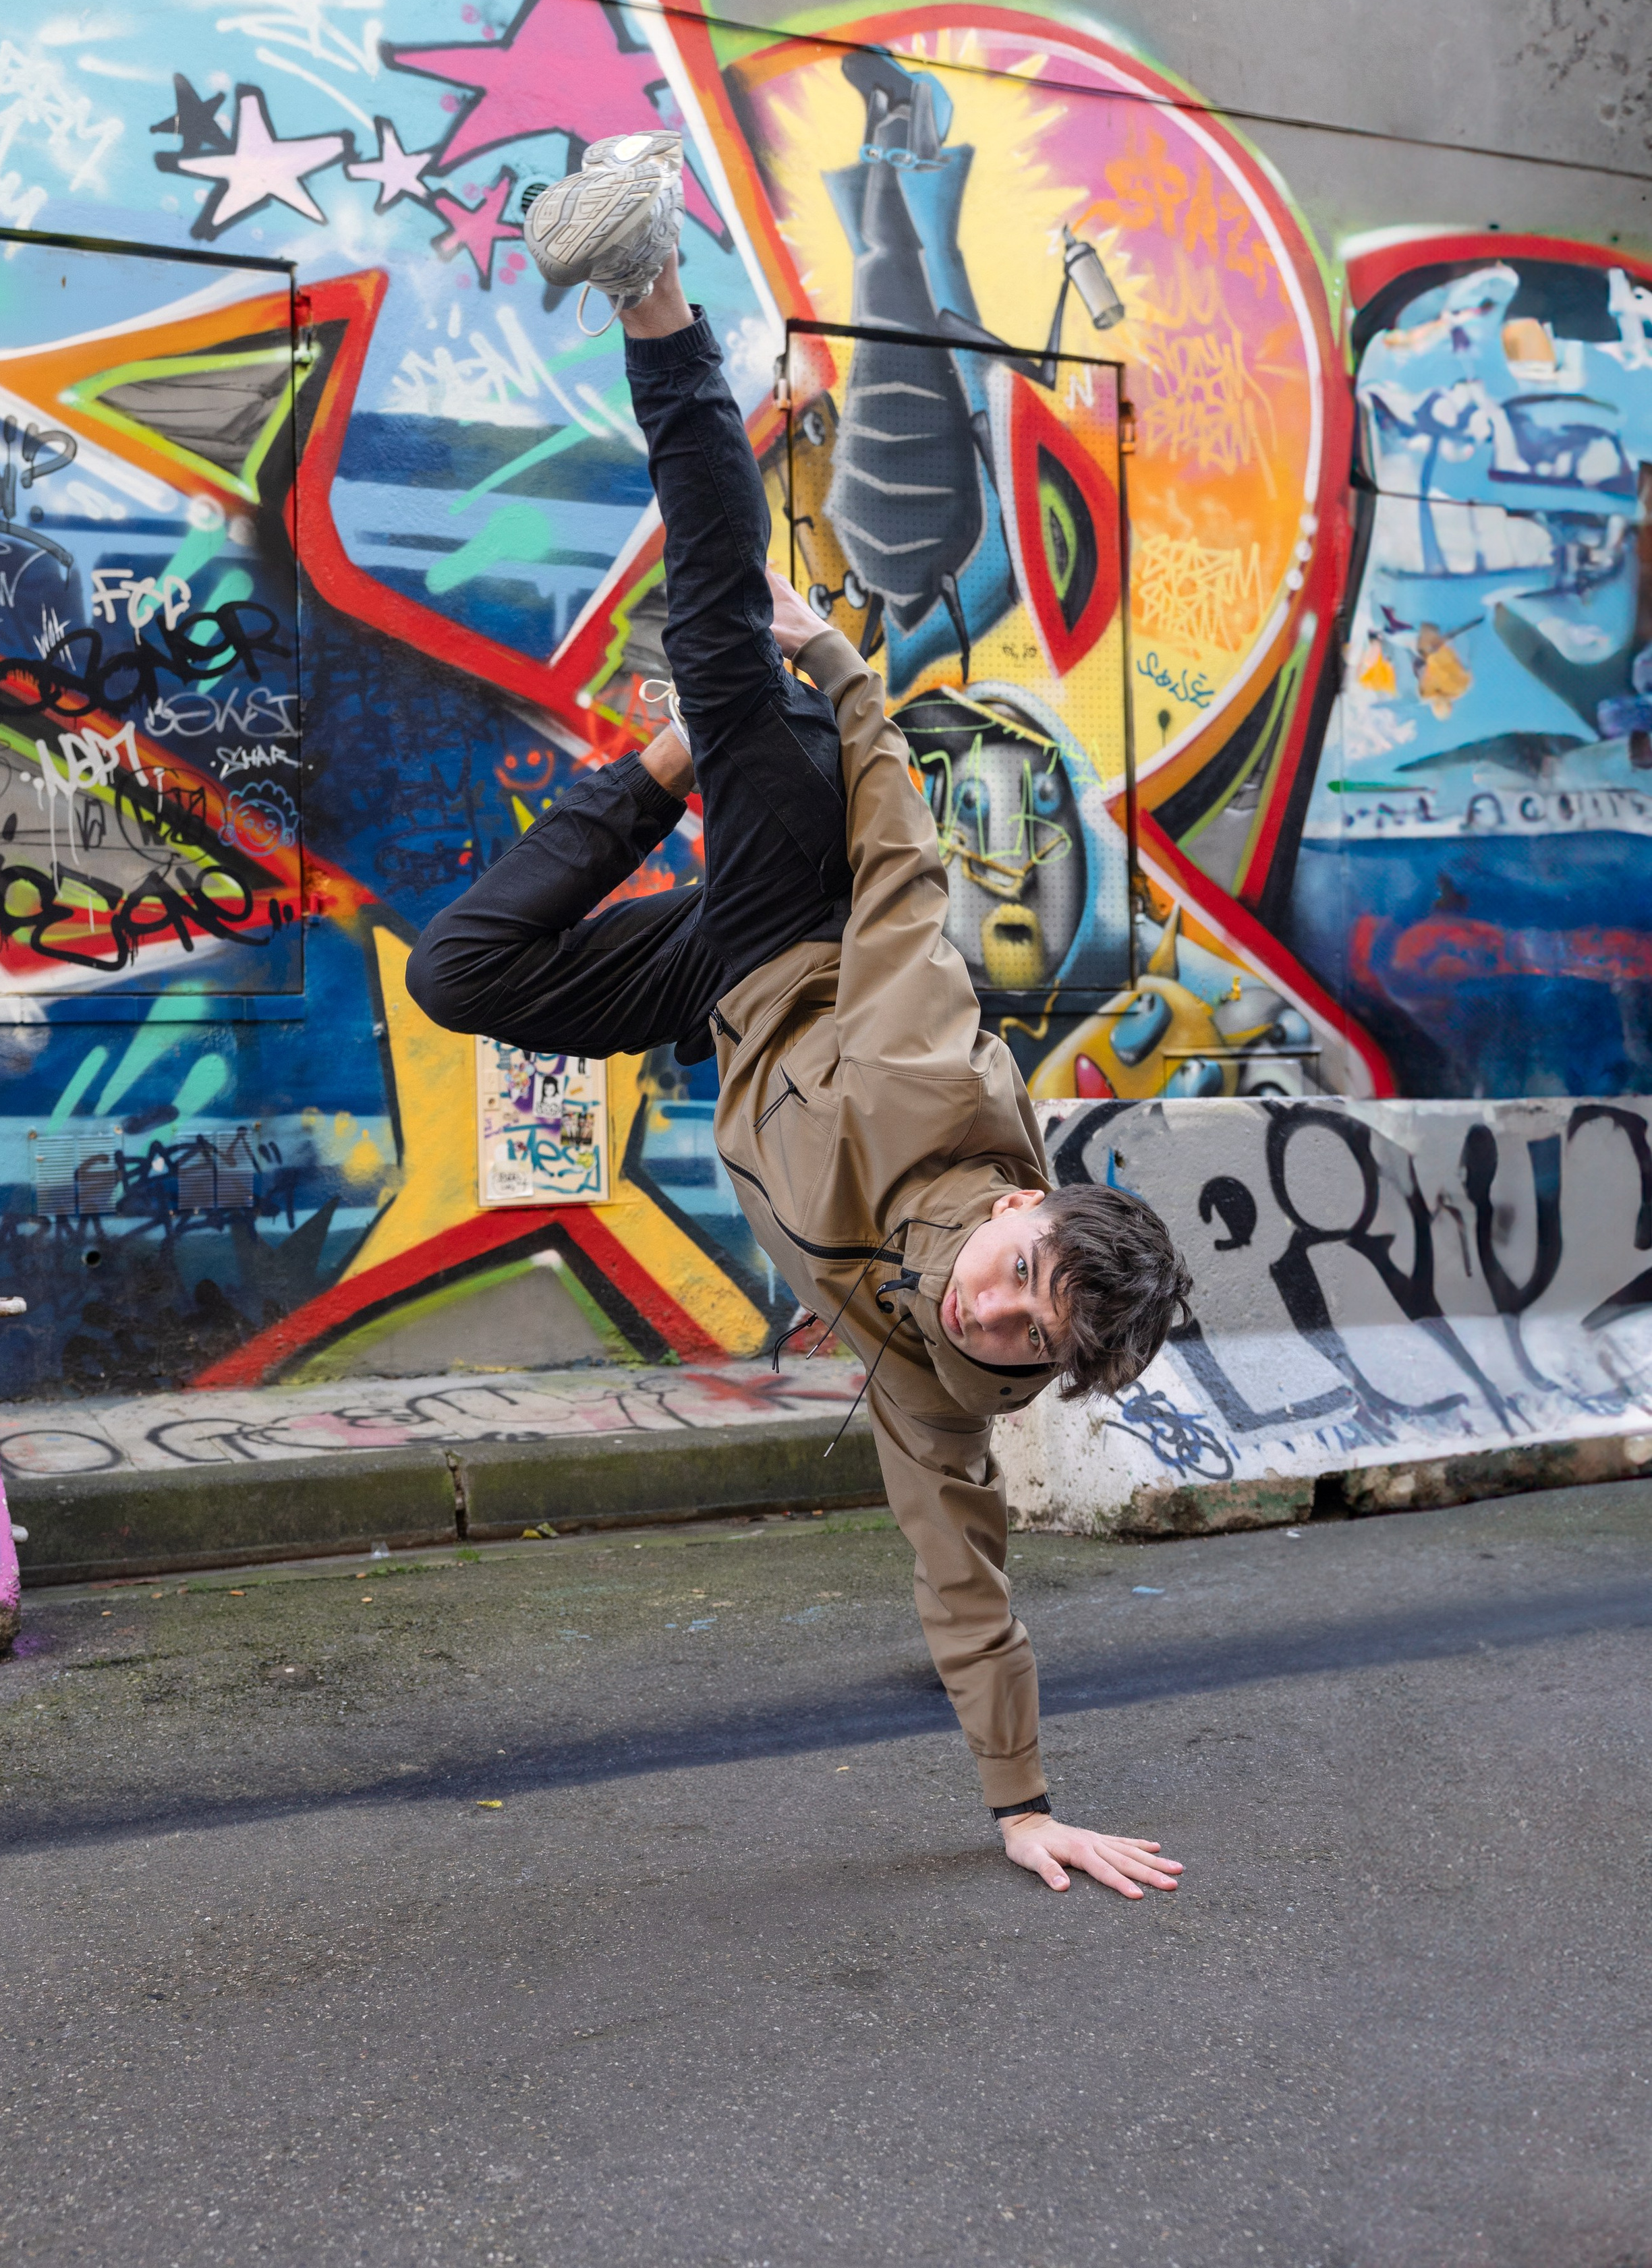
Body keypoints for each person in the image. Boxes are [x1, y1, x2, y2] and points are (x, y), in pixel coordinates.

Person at [407, 131, 1193, 1897]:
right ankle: (654, 286)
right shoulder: (934, 1069)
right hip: (815, 913)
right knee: (716, 617)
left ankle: (669, 758)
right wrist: (834, 675)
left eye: (1014, 1333)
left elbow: (966, 1584)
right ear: (1016, 1203)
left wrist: (1023, 1811)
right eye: (1008, 1273)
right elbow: (906, 863)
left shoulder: (950, 1384)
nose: (979, 1310)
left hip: (733, 1017)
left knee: (460, 974)